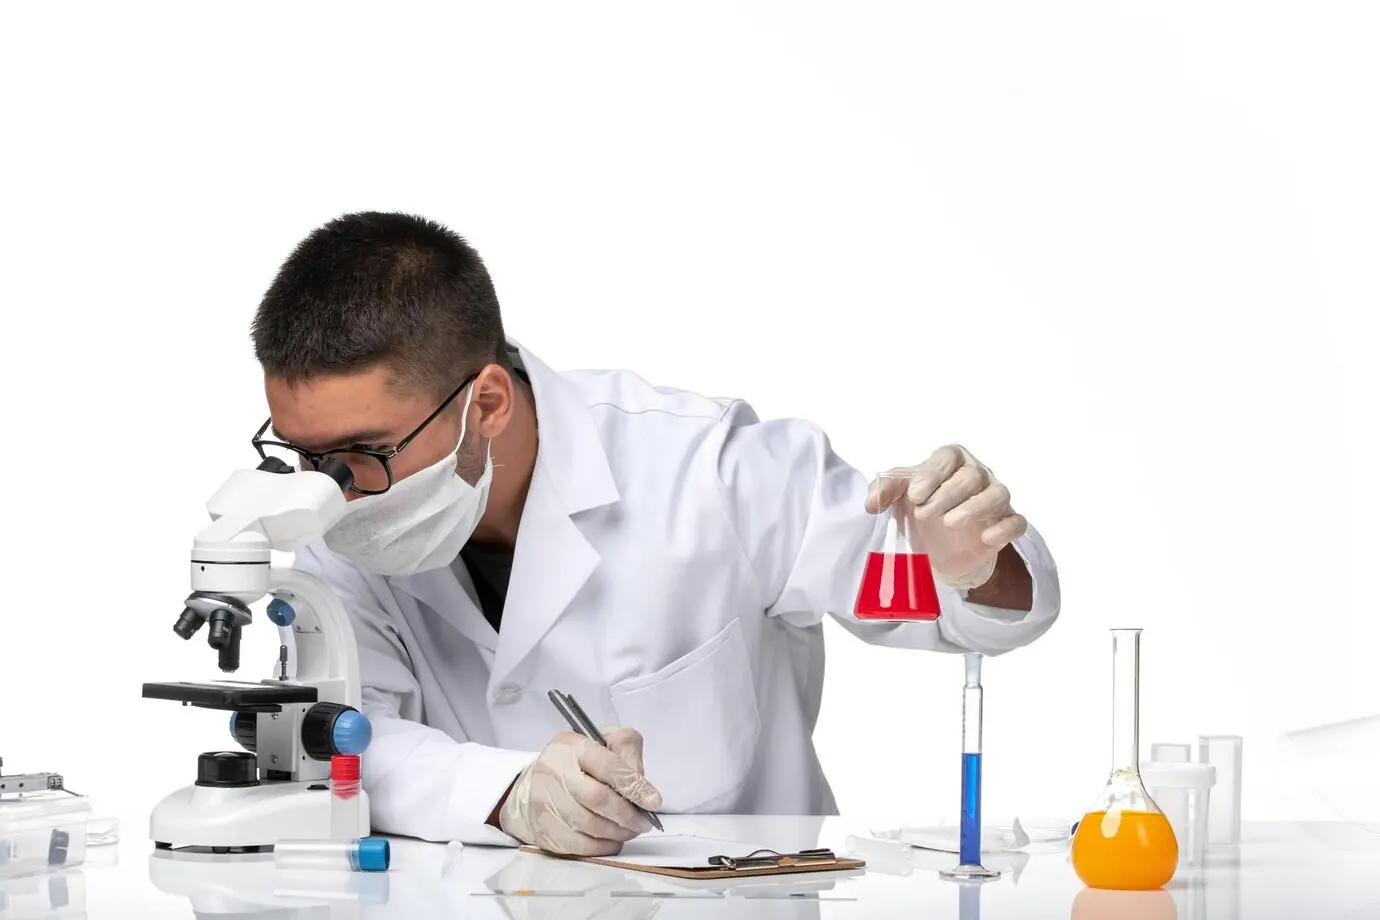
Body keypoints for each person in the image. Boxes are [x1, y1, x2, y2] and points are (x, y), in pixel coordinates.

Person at [249, 211, 1061, 856]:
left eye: (364, 451)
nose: (335, 486)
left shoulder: (710, 470)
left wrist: (969, 564)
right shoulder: (343, 518)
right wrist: (512, 793)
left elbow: (963, 609)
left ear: (487, 403)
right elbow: (353, 743)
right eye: (306, 454)